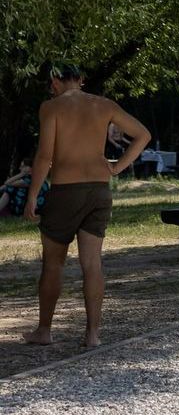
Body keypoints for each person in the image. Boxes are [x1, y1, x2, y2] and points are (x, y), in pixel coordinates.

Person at [23, 63, 150, 348]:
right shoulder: (104, 105)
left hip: (65, 192)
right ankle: (92, 334)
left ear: (55, 81)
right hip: (99, 191)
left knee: (53, 263)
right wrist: (118, 167)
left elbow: (44, 156)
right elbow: (143, 135)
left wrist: (33, 194)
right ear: (81, 80)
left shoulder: (51, 107)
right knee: (92, 263)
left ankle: (44, 330)